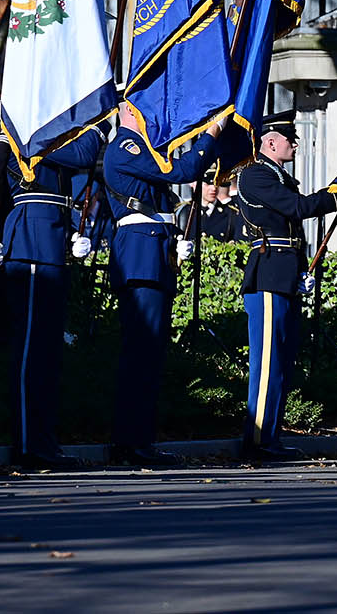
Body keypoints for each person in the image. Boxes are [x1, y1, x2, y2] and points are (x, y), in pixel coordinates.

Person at [101, 112, 222, 466]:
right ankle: (130, 443)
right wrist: (211, 133)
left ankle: (139, 440)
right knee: (140, 354)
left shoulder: (142, 150)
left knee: (149, 356)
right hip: (141, 256)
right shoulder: (126, 146)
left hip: (153, 254)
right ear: (127, 114)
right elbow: (181, 172)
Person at [0, 122, 106, 469]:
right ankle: (28, 445)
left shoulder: (43, 140)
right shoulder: (20, 134)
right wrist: (97, 124)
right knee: (29, 354)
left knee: (48, 354)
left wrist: (74, 226)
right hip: (29, 242)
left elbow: (69, 177)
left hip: (52, 240)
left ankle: (44, 441)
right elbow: (84, 152)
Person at [236, 115, 337, 461]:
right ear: (270, 142)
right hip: (267, 275)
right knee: (267, 364)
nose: (294, 143)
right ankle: (258, 441)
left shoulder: (279, 177)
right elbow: (297, 208)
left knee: (280, 361)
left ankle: (271, 437)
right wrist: (335, 195)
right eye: (289, 138)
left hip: (285, 275)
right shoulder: (256, 174)